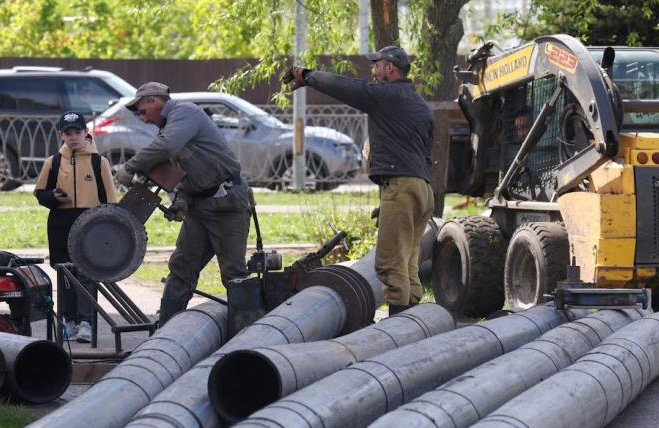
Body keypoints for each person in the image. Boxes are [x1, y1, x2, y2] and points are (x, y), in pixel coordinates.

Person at [285, 45, 434, 315]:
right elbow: (422, 151)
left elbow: (348, 88)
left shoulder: (386, 95)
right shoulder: (419, 104)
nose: (374, 69)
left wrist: (308, 76)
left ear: (390, 68)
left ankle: (398, 327)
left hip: (400, 188)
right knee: (408, 261)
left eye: (377, 64)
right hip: (423, 190)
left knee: (389, 264)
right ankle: (416, 322)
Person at [113, 82, 251, 325]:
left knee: (234, 275)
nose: (143, 119)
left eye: (143, 112)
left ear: (154, 101)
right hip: (202, 206)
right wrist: (182, 201)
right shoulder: (173, 128)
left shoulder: (185, 113)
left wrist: (130, 166)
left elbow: (167, 146)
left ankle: (245, 337)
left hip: (227, 205)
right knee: (181, 270)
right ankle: (166, 332)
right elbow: (186, 174)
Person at [34, 111, 118, 343]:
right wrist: (53, 197)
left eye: (77, 132)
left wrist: (108, 226)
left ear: (86, 133)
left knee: (87, 273)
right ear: (61, 134)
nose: (73, 137)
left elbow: (110, 200)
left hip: (90, 224)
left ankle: (86, 322)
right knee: (65, 274)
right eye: (68, 133)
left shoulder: (98, 162)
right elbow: (40, 193)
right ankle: (68, 321)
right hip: (61, 224)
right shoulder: (53, 162)